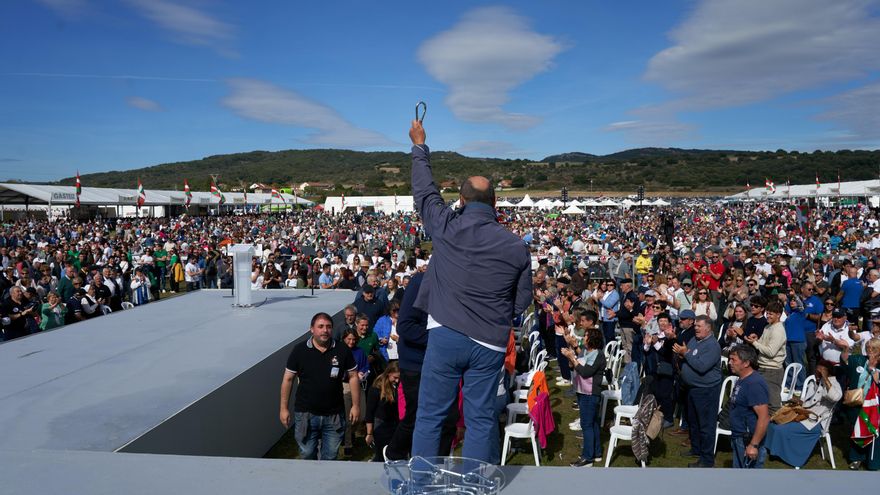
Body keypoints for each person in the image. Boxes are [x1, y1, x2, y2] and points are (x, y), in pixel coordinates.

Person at [408, 118, 532, 463]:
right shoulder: (516, 246)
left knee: (431, 416)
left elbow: (425, 192)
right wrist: (494, 315)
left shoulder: (446, 225)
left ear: (461, 200)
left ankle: (420, 483)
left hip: (445, 334)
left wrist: (420, 145)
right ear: (495, 203)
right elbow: (522, 300)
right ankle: (477, 483)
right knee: (480, 419)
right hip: (489, 342)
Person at [278, 312, 360, 460]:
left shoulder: (342, 350)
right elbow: (288, 379)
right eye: (320, 326)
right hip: (306, 414)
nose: (325, 330)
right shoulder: (299, 351)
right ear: (312, 329)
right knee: (307, 454)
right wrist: (283, 409)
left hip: (334, 414)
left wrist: (356, 405)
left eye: (328, 327)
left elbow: (353, 376)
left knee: (331, 456)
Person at [765, 362, 841, 468]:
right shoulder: (815, 382)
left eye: (820, 372)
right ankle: (772, 450)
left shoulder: (833, 383)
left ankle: (789, 457)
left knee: (781, 429)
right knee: (773, 423)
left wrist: (825, 378)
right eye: (816, 371)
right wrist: (800, 402)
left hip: (816, 422)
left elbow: (835, 397)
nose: (816, 373)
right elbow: (809, 402)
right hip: (804, 415)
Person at [674, 315, 722, 468]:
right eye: (695, 326)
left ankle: (707, 460)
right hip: (692, 388)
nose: (696, 328)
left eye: (699, 326)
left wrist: (685, 353)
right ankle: (696, 449)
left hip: (706, 390)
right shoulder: (695, 339)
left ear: (708, 328)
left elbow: (702, 366)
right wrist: (683, 354)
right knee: (693, 421)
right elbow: (688, 356)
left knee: (706, 426)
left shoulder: (712, 346)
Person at [562, 327, 607, 467]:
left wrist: (571, 358)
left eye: (586, 336)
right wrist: (573, 347)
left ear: (592, 339)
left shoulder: (598, 355)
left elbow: (586, 371)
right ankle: (597, 453)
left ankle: (587, 457)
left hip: (590, 394)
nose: (583, 338)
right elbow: (581, 359)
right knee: (592, 423)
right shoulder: (588, 352)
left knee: (586, 425)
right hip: (583, 392)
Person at [840, 337, 880, 471]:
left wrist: (873, 369)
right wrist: (845, 349)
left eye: (874, 349)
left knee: (873, 432)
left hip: (874, 405)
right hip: (857, 403)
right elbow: (845, 360)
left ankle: (873, 462)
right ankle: (856, 458)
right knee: (857, 431)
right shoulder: (859, 359)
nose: (870, 351)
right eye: (868, 348)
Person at [727, 345, 770, 469]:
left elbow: (764, 417)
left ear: (746, 363)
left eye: (733, 360)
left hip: (748, 441)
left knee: (750, 482)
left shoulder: (754, 384)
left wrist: (754, 445)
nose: (730, 363)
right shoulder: (742, 379)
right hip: (739, 437)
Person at [746, 300, 787, 413]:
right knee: (759, 400)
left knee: (773, 405)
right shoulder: (768, 326)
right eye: (767, 313)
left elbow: (770, 352)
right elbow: (764, 344)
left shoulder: (778, 330)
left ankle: (775, 429)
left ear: (778, 315)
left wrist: (754, 343)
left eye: (771, 314)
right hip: (762, 367)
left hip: (772, 371)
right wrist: (756, 339)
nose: (767, 316)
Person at [364, 362, 401, 462]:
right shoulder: (376, 389)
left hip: (396, 423)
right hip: (381, 424)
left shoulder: (398, 387)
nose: (397, 381)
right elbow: (369, 412)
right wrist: (369, 433)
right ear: (388, 374)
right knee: (381, 455)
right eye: (395, 377)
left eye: (399, 378)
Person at [341, 328, 368, 457]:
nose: (351, 342)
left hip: (358, 384)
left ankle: (350, 432)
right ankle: (348, 444)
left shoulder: (359, 351)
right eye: (349, 339)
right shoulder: (340, 352)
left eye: (353, 339)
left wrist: (363, 373)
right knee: (347, 415)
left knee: (361, 414)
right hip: (345, 385)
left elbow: (365, 366)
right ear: (344, 339)